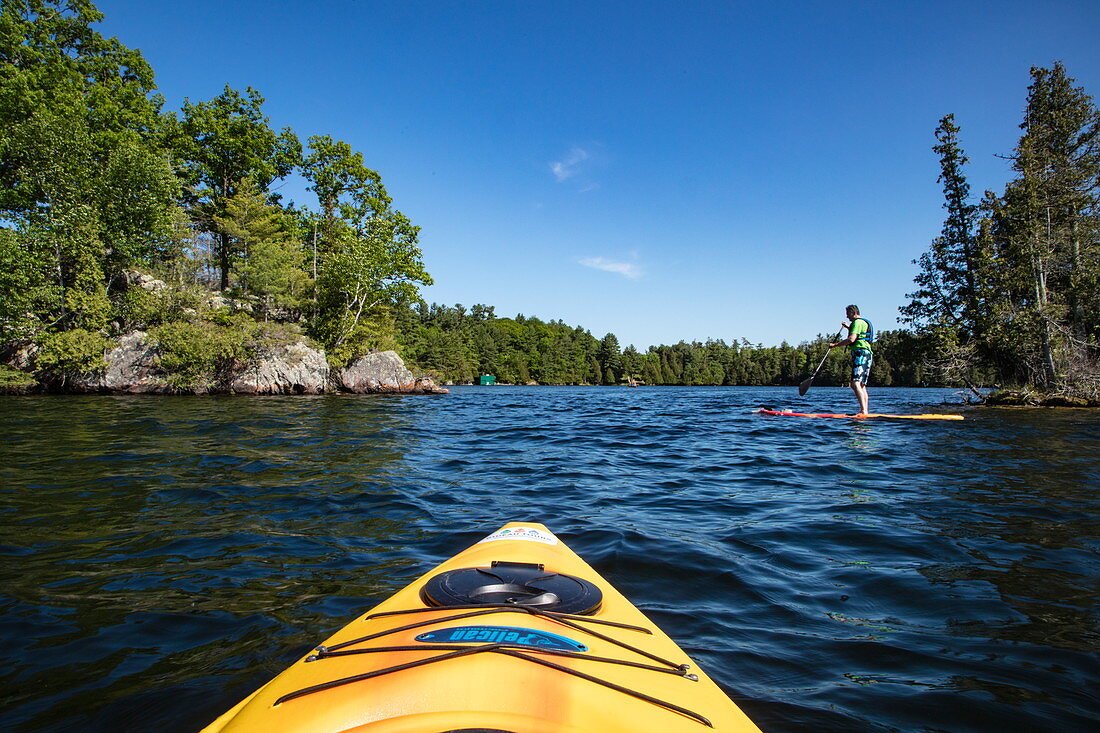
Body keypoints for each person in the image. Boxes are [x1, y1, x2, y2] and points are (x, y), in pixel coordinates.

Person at [830, 305, 873, 415]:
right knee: (861, 384)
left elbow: (851, 339)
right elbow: (858, 334)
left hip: (860, 353)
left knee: (855, 383)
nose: (847, 316)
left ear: (853, 313)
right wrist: (848, 327)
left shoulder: (857, 322)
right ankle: (865, 411)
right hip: (866, 353)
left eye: (848, 313)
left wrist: (835, 345)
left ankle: (863, 411)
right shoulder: (862, 323)